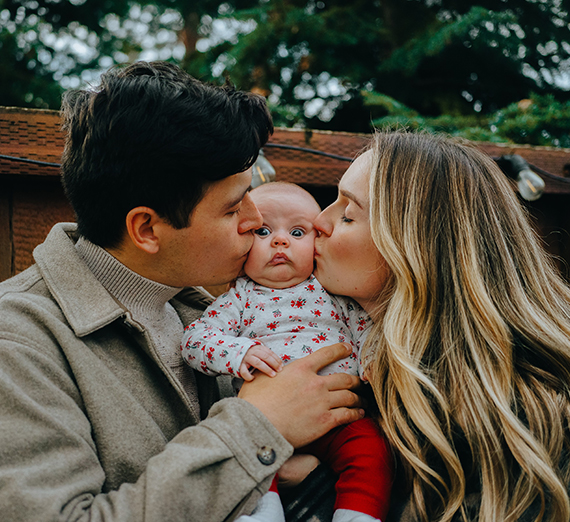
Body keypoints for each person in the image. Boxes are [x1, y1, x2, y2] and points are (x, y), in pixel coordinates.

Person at [0, 61, 366, 521]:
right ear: (148, 229)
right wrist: (256, 428)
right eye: (234, 208)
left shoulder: (204, 310)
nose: (256, 221)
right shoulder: (17, 345)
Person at [288, 130, 570, 522]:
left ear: (412, 247)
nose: (319, 221)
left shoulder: (525, 415)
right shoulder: (345, 361)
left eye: (348, 214)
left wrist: (313, 483)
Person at [182, 181, 393, 522]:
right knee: (244, 455)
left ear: (316, 242)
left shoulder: (333, 292)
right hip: (267, 421)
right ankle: (261, 513)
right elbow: (195, 340)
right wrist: (238, 350)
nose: (280, 241)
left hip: (338, 416)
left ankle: (358, 514)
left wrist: (372, 362)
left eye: (297, 231)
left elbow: (367, 331)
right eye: (264, 230)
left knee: (372, 449)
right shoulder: (239, 298)